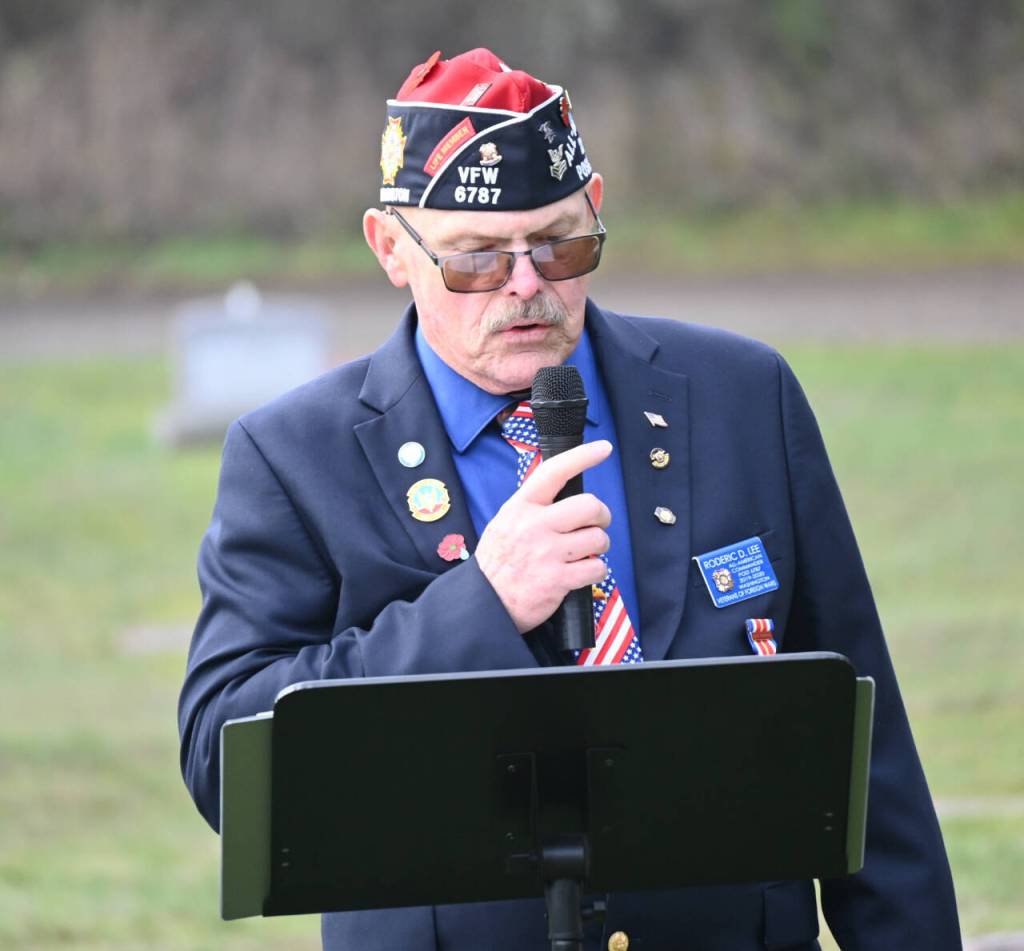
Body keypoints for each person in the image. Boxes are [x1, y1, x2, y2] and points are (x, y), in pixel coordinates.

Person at [179, 48, 961, 950]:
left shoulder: (743, 396)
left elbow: (865, 753)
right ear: (391, 248)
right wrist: (480, 604)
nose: (526, 287)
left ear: (597, 208)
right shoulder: (294, 456)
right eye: (476, 259)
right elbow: (222, 756)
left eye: (560, 245)